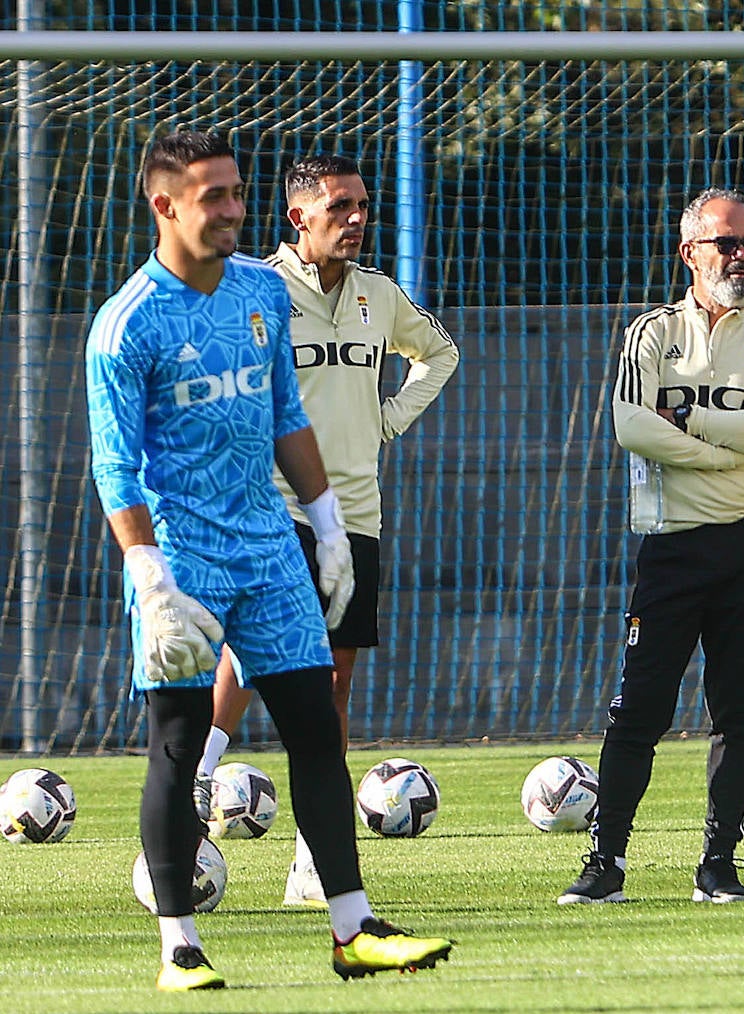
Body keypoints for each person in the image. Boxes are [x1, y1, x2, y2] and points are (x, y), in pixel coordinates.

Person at [85, 130, 452, 991]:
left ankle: (352, 928)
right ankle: (179, 945)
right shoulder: (126, 323)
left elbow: (288, 415)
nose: (233, 210)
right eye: (215, 196)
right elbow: (114, 464)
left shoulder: (257, 291)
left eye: (237, 193)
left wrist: (326, 524)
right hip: (183, 559)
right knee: (179, 746)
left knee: (318, 732)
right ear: (165, 204)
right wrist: (147, 573)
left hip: (273, 553)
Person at [192, 153, 459, 908]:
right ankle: (201, 773)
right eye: (339, 205)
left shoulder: (378, 294)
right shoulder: (254, 287)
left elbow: (439, 354)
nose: (355, 217)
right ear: (297, 216)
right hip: (272, 504)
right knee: (257, 647)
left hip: (355, 513)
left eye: (361, 205)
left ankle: (314, 854)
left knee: (334, 683)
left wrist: (388, 420)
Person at [557, 187, 744, 904]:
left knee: (736, 712)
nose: (742, 256)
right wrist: (728, 448)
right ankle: (605, 864)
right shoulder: (652, 335)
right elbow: (632, 427)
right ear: (688, 251)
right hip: (672, 545)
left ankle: (719, 866)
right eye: (726, 242)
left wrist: (689, 424)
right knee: (640, 710)